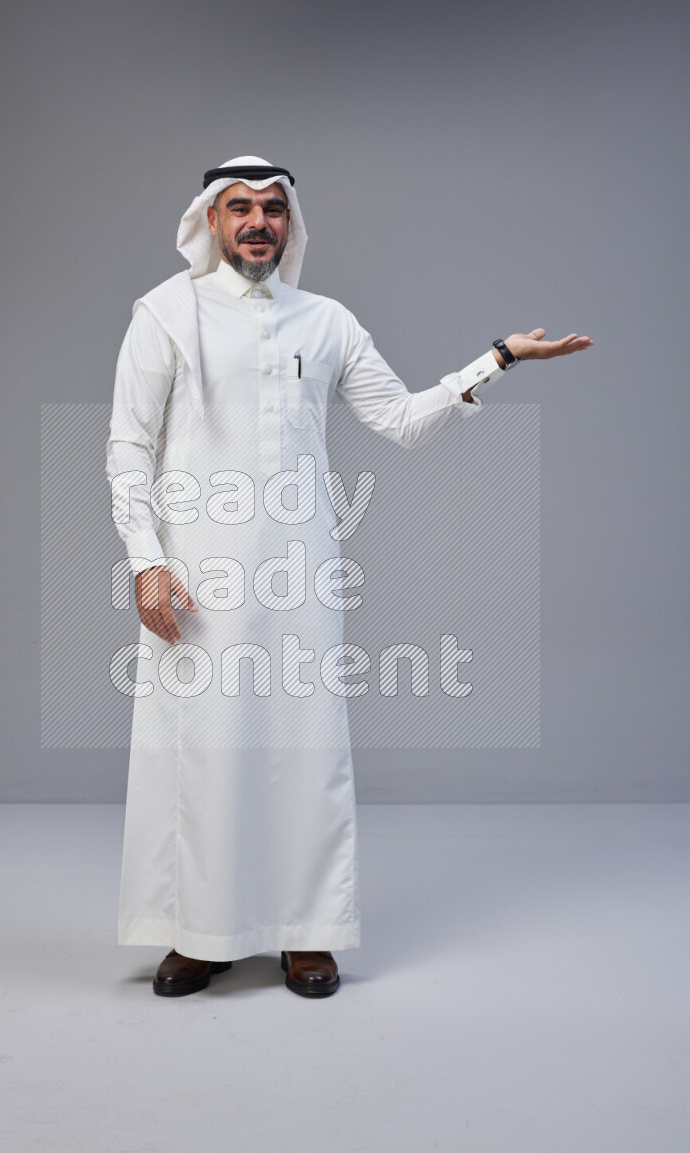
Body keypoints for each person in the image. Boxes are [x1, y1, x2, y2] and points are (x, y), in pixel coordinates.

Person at [105, 155, 593, 999]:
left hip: (300, 577)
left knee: (304, 750)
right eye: (239, 208)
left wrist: (498, 359)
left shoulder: (326, 321)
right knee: (205, 755)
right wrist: (145, 563)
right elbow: (127, 447)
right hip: (195, 578)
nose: (258, 222)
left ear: (290, 224)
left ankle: (308, 934)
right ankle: (203, 932)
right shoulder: (164, 313)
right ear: (211, 221)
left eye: (272, 209)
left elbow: (401, 420)